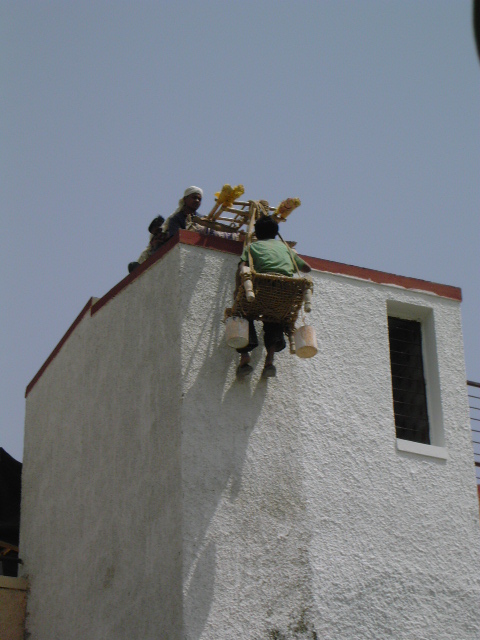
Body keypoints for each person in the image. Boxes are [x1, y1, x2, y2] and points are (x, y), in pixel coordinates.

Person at [236, 215, 311, 379]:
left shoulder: (252, 247)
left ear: (257, 233)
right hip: (285, 294)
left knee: (242, 312)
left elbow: (243, 267)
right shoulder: (286, 249)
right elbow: (307, 268)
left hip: (261, 291)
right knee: (276, 319)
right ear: (276, 233)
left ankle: (245, 357)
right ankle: (269, 360)